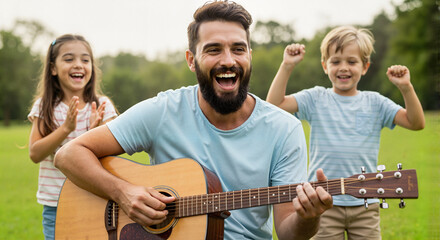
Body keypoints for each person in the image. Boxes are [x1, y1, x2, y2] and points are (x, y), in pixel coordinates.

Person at [54, 1, 333, 240]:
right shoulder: (164, 110)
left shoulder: (285, 129)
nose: (228, 60)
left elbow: (288, 231)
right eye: (213, 50)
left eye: (238, 49)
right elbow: (68, 155)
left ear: (250, 55)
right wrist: (123, 192)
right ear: (191, 59)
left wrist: (309, 217)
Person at [266, 26, 425, 239]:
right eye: (335, 61)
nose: (344, 68)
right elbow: (274, 105)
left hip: (366, 202)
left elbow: (416, 122)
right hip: (323, 202)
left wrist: (406, 88)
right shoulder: (316, 98)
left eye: (352, 62)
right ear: (325, 65)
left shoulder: (375, 102)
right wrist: (287, 65)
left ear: (365, 66)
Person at [28, 34, 118, 240]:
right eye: (69, 59)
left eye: (85, 60)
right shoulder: (45, 106)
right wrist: (66, 128)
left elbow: (112, 159)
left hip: (95, 200)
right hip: (56, 205)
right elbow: (35, 153)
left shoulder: (103, 106)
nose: (78, 65)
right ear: (53, 68)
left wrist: (94, 134)